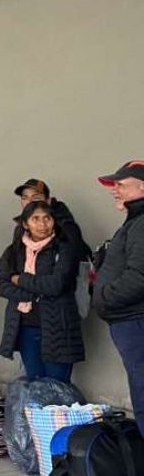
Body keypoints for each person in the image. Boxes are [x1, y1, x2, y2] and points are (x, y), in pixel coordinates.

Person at [0, 201, 83, 383]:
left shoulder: (63, 248)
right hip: (26, 325)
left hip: (58, 326)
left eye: (47, 218)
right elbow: (1, 284)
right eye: (35, 219)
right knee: (34, 384)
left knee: (57, 387)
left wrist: (20, 279)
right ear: (25, 223)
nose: (42, 224)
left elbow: (55, 284)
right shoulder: (14, 251)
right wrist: (33, 295)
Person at [93, 161, 144, 435]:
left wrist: (104, 299)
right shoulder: (135, 222)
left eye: (121, 184)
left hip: (136, 322)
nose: (115, 190)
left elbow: (140, 277)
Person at [13, 179, 91, 256]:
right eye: (24, 198)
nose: (29, 202)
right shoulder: (21, 226)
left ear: (48, 201)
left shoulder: (65, 227)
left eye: (36, 198)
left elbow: (66, 263)